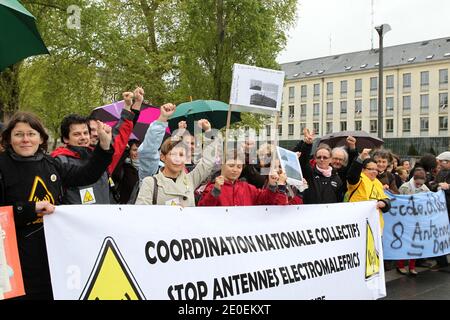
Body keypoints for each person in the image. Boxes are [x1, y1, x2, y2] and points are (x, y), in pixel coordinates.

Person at [0, 111, 113, 299]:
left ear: (41, 138)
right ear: (9, 138)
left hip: (53, 254)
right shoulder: (2, 167)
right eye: (19, 134)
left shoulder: (50, 163)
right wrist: (29, 209)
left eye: (31, 134)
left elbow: (87, 175)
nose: (25, 139)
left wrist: (104, 145)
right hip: (13, 259)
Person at [135, 125, 222, 206]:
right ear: (163, 157)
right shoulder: (150, 183)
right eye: (173, 154)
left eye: (181, 155)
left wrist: (209, 133)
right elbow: (142, 215)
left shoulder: (190, 180)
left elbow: (207, 162)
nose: (177, 159)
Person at [198, 150, 289, 206]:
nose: (235, 170)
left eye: (239, 167)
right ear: (222, 166)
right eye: (231, 165)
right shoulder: (212, 187)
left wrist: (272, 184)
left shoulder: (247, 187)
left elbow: (266, 200)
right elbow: (203, 209)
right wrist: (215, 191)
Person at [345, 148, 391, 230]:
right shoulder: (359, 180)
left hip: (375, 227)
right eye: (371, 169)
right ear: (362, 170)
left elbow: (386, 200)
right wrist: (360, 158)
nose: (374, 172)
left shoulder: (377, 183)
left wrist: (384, 203)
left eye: (376, 170)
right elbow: (352, 176)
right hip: (358, 224)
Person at [396, 168, 430, 276]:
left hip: (418, 220)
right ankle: (400, 265)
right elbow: (398, 202)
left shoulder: (425, 189)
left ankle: (412, 266)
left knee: (415, 244)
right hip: (405, 220)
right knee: (404, 243)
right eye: (417, 184)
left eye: (421, 184)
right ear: (414, 180)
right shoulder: (405, 187)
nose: (419, 186)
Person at [298, 128, 343, 204]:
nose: (322, 159)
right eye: (319, 157)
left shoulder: (336, 178)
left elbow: (339, 200)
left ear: (330, 159)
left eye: (325, 157)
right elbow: (303, 161)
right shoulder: (309, 173)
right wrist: (307, 144)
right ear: (315, 158)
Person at [429, 151, 450, 270]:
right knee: (440, 235)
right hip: (441, 208)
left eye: (442, 162)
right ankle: (442, 262)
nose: (440, 164)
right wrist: (437, 186)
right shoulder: (441, 172)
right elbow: (434, 185)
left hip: (447, 206)